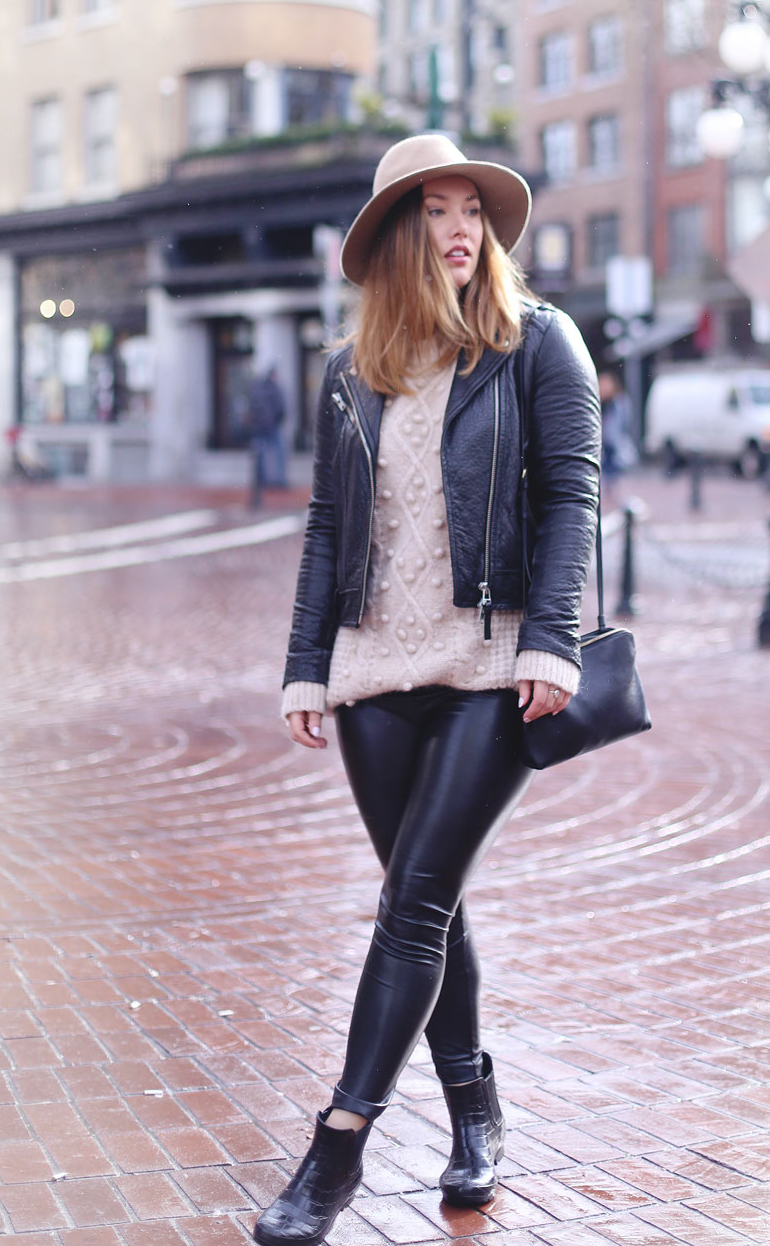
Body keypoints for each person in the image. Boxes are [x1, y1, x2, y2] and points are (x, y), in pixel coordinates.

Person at [256, 134, 600, 1246]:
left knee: (407, 908)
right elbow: (326, 528)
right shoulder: (351, 371)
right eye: (435, 212)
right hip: (372, 671)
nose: (461, 229)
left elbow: (572, 495)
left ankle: (337, 1147)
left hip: (488, 666)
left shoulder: (536, 343)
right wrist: (308, 664)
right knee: (429, 898)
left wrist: (553, 639)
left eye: (473, 212)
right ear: (398, 238)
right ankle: (475, 1112)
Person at [247, 364, 289, 492]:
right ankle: (279, 480)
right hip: (272, 426)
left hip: (261, 427)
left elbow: (253, 408)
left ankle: (262, 480)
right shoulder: (274, 389)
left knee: (262, 455)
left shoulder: (258, 389)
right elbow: (281, 407)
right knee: (278, 454)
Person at [598, 369, 634, 489]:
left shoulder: (619, 403)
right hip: (600, 445)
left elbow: (624, 423)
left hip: (614, 445)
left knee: (615, 479)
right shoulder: (597, 403)